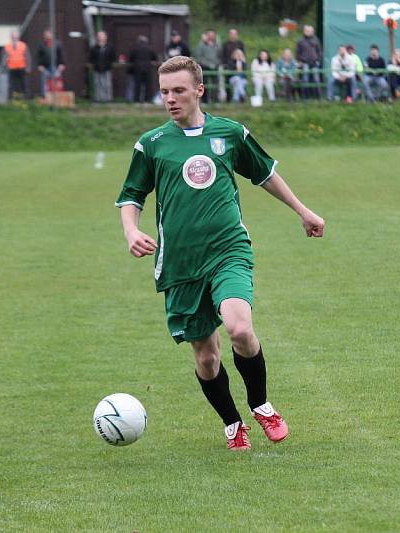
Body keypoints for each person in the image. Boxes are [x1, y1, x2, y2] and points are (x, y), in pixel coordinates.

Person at [115, 55, 325, 450]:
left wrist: (303, 210)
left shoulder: (229, 134)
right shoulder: (152, 144)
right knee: (207, 357)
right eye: (164, 92)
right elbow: (131, 195)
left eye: (178, 91)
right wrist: (131, 231)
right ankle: (233, 423)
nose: (171, 99)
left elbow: (264, 173)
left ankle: (261, 405)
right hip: (180, 262)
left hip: (228, 249)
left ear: (199, 90)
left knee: (240, 329)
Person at [127, 35, 157, 103]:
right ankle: (147, 100)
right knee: (147, 86)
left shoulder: (134, 48)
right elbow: (154, 58)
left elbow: (130, 58)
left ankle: (137, 100)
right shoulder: (149, 48)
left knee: (137, 86)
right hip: (147, 69)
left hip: (137, 69)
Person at [193, 29, 221, 103]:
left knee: (215, 85)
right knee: (204, 85)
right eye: (209, 35)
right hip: (204, 68)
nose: (211, 36)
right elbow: (198, 57)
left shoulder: (217, 45)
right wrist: (208, 64)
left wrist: (216, 64)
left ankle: (215, 101)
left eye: (212, 35)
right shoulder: (201, 45)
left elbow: (220, 56)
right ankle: (205, 101)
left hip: (215, 68)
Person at [295, 25, 322, 99]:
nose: (309, 32)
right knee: (305, 80)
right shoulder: (300, 41)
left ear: (313, 31)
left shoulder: (316, 40)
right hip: (305, 63)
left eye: (310, 31)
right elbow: (297, 53)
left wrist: (318, 60)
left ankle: (319, 97)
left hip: (314, 63)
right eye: (307, 30)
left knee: (316, 80)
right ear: (304, 31)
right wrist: (300, 61)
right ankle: (305, 97)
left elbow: (319, 51)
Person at [37, 29, 66, 97]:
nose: (47, 36)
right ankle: (45, 97)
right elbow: (38, 56)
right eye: (46, 35)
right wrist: (39, 65)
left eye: (49, 34)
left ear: (52, 35)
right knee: (44, 83)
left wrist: (62, 64)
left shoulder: (58, 43)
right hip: (45, 67)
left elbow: (61, 55)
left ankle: (57, 98)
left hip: (56, 67)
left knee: (56, 82)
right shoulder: (41, 44)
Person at [89, 31, 116, 102]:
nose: (101, 38)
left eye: (102, 36)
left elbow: (113, 58)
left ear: (105, 37)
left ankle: (108, 99)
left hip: (107, 68)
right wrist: (95, 64)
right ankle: (98, 99)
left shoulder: (110, 47)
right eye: (99, 36)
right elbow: (91, 59)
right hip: (97, 68)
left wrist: (109, 64)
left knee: (107, 85)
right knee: (97, 84)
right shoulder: (94, 48)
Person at [5, 31, 30, 99]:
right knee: (11, 84)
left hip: (22, 67)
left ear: (18, 37)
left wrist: (28, 67)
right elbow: (4, 58)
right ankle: (12, 99)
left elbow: (28, 57)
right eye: (13, 36)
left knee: (24, 84)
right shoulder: (7, 46)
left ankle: (25, 98)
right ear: (11, 37)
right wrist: (5, 67)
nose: (14, 38)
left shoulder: (23, 45)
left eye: (15, 36)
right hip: (11, 68)